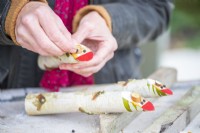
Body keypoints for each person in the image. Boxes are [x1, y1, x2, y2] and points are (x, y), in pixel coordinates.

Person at [0, 0, 173, 90]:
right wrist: (10, 13)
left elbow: (156, 7)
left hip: (111, 89)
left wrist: (108, 19)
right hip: (11, 94)